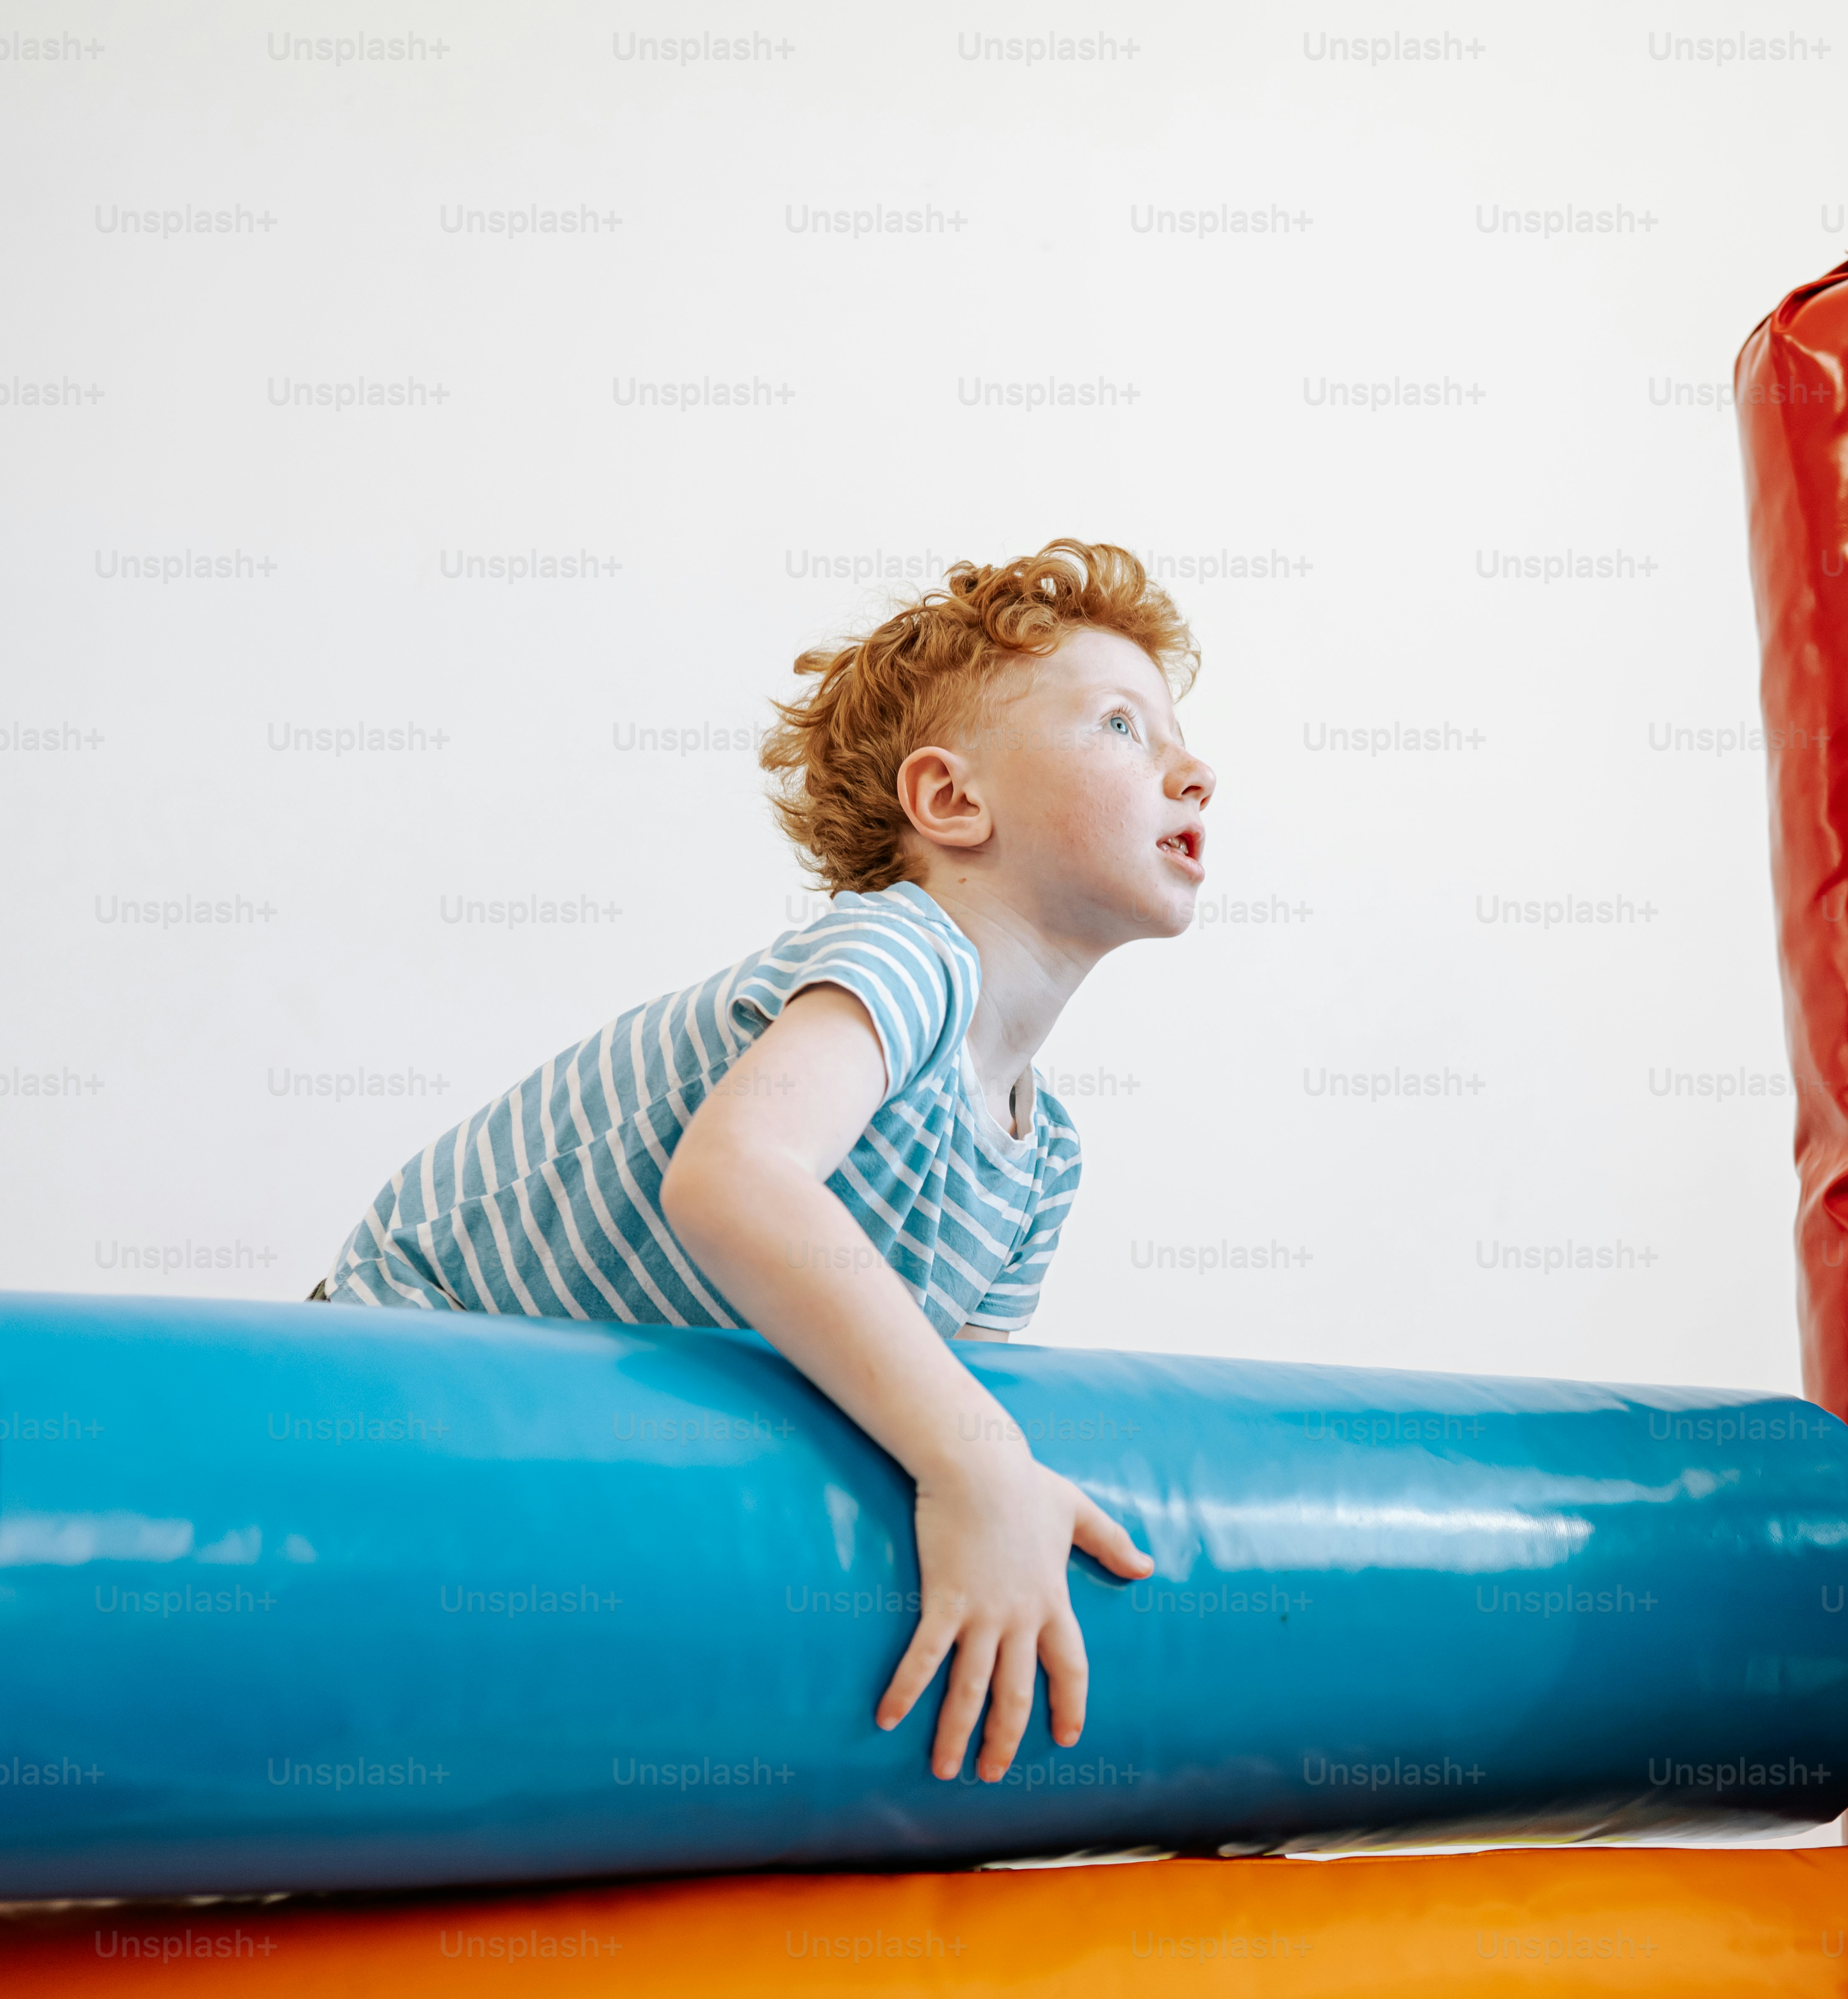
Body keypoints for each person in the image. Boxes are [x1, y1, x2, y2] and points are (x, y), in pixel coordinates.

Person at [317, 540, 1207, 1785]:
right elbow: (734, 1179)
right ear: (952, 802)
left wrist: (981, 1477)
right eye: (1122, 724)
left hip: (613, 1470)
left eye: (1178, 732)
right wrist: (978, 1459)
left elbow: (941, 1396)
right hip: (405, 1361)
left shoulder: (1040, 1152)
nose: (1193, 769)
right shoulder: (906, 955)